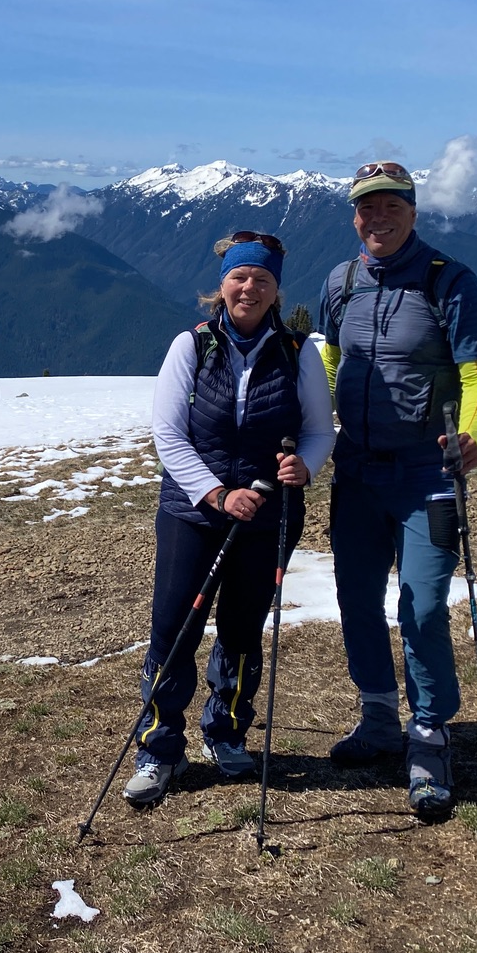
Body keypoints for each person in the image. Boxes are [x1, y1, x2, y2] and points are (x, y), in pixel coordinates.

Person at [124, 231, 336, 807]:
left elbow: (319, 431)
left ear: (275, 290)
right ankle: (159, 747)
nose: (249, 288)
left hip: (268, 514)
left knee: (242, 631)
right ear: (222, 286)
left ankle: (226, 732)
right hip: (192, 514)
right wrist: (217, 494)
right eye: (240, 277)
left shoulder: (299, 352)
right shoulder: (191, 346)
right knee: (175, 630)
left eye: (262, 280)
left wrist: (305, 467)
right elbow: (168, 435)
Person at [315, 161, 477, 817]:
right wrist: (313, 419)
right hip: (357, 471)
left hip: (429, 473)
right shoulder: (340, 282)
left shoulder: (451, 281)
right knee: (357, 599)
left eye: (391, 206)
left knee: (421, 606)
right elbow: (332, 358)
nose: (379, 218)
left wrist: (473, 437)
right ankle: (377, 719)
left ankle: (429, 736)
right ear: (354, 217)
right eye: (367, 207)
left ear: (414, 211)